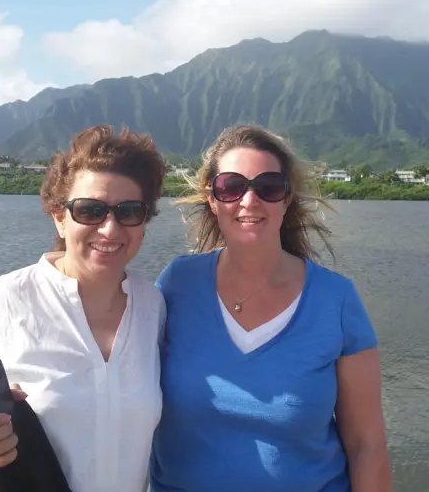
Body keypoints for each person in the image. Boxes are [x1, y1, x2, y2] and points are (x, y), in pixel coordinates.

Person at [0, 124, 169, 492]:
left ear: (144, 220)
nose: (109, 229)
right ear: (59, 215)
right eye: (90, 210)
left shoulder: (152, 306)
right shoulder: (2, 300)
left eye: (129, 211)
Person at [150, 124, 392, 491]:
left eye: (268, 187)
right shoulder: (176, 285)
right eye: (232, 186)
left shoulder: (336, 300)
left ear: (286, 198)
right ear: (212, 198)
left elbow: (367, 446)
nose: (249, 201)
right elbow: (111, 356)